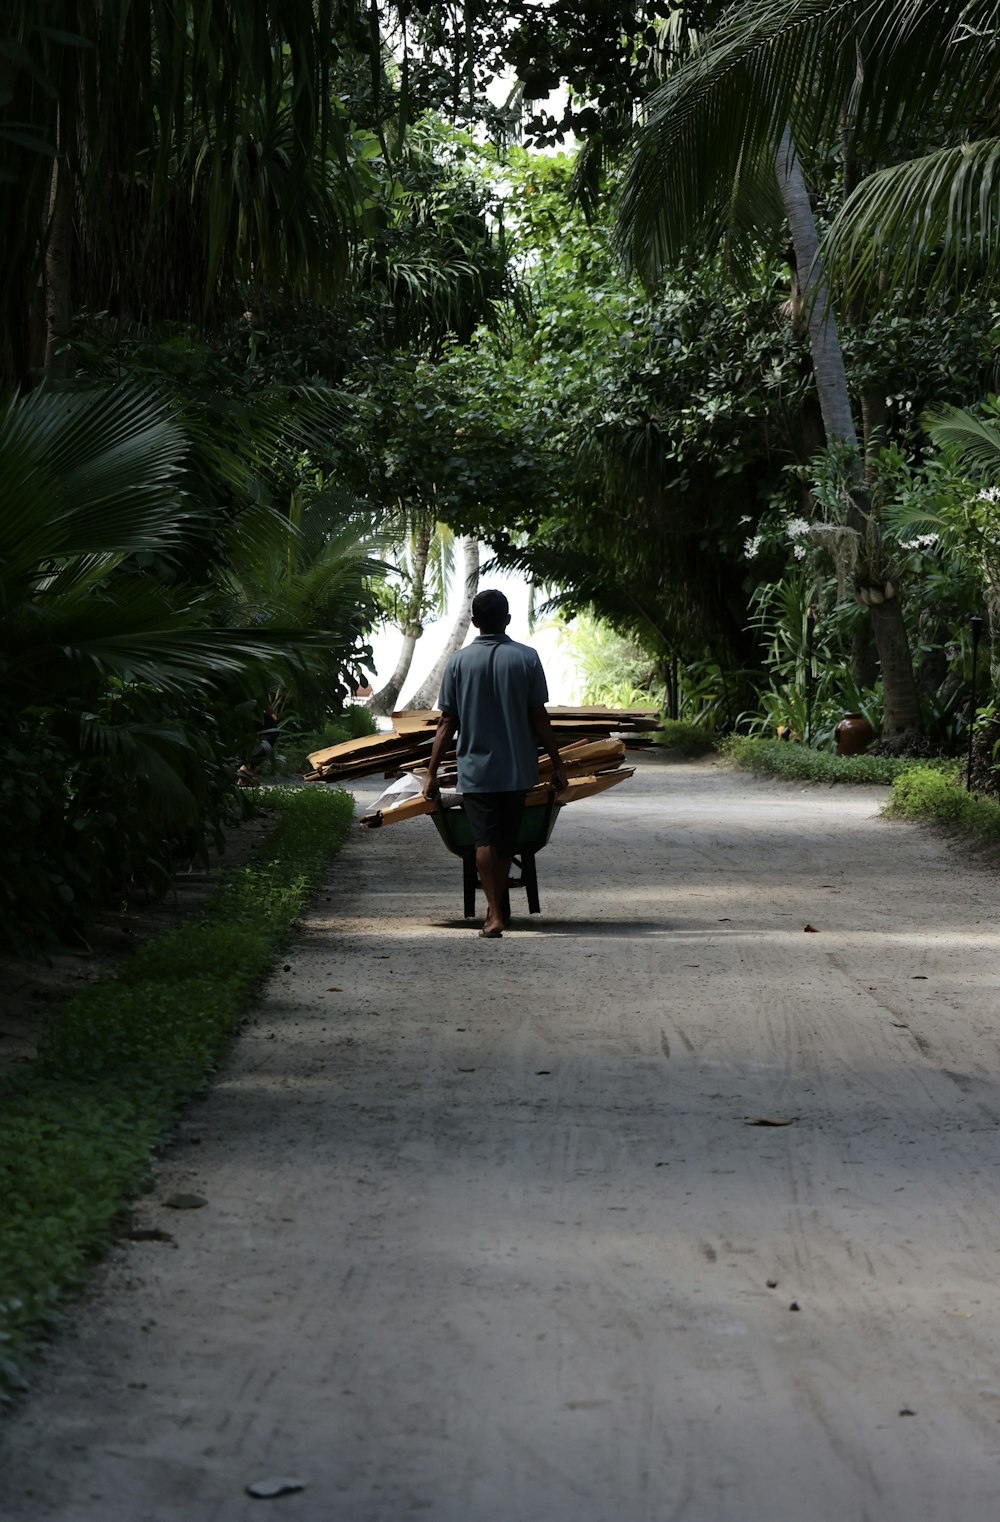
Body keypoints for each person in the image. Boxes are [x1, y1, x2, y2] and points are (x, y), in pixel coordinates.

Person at [422, 588, 568, 938]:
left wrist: (430, 774)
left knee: (484, 840)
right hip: (517, 768)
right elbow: (539, 718)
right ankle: (496, 910)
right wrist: (557, 762)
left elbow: (447, 723)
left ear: (473, 622)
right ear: (507, 620)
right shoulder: (527, 658)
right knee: (505, 839)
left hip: (476, 768)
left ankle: (495, 914)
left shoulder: (458, 662)